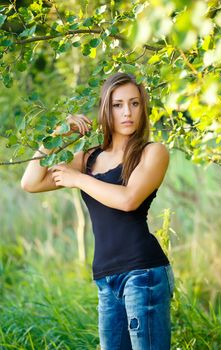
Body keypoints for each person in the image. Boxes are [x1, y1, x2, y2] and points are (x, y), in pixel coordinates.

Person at [21, 72, 175, 350]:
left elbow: (129, 199)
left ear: (143, 108)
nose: (127, 112)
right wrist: (57, 133)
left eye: (135, 103)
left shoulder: (153, 152)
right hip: (106, 278)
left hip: (143, 274)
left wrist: (78, 179)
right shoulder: (90, 157)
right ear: (106, 108)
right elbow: (31, 182)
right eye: (118, 105)